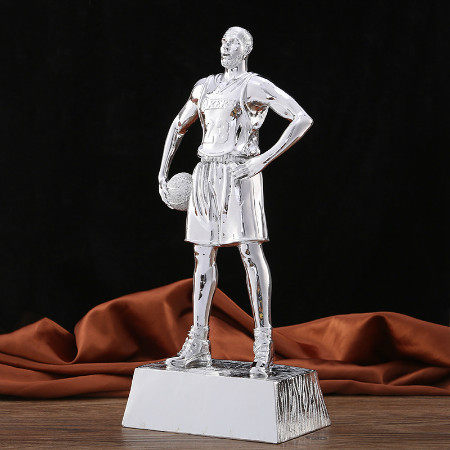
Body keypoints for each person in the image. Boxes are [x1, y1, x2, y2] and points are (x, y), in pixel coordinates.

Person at [158, 26, 313, 375]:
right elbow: (178, 125)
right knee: (202, 255)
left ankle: (263, 343)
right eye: (223, 42)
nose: (225, 47)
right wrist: (162, 172)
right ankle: (198, 343)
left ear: (246, 49)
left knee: (249, 252)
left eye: (232, 43)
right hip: (205, 171)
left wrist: (263, 160)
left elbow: (301, 119)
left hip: (240, 171)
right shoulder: (205, 86)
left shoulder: (253, 85)